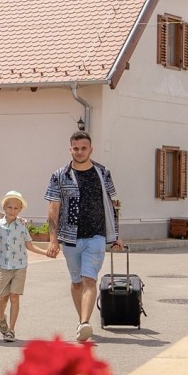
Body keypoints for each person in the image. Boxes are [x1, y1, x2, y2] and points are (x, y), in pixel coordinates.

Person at [44, 130, 123, 342]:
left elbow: (113, 205)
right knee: (77, 281)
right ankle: (82, 321)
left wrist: (116, 234)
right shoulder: (59, 175)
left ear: (90, 149)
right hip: (70, 238)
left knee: (89, 279)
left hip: (96, 235)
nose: (80, 152)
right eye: (76, 148)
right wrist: (53, 240)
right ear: (70, 149)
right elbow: (53, 209)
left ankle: (85, 322)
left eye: (83, 148)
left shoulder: (103, 173)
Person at [0, 191, 55, 342]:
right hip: (4, 266)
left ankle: (11, 330)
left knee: (14, 297)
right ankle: (1, 317)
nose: (12, 210)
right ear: (4, 208)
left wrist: (46, 253)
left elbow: (29, 245)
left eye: (16, 208)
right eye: (9, 207)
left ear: (20, 210)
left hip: (20, 266)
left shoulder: (22, 226)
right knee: (2, 298)